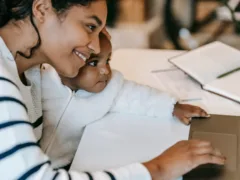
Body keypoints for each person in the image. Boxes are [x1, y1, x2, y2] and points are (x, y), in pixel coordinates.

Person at [0, 0, 225, 180]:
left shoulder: (30, 72)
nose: (96, 47)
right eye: (90, 27)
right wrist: (158, 169)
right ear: (41, 9)